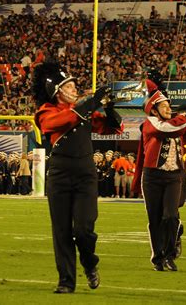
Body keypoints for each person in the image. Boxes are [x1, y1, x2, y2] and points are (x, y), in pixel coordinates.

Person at [33, 62, 124, 293]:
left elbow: (113, 129)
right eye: (70, 86)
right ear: (58, 92)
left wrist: (111, 109)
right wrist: (91, 101)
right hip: (60, 175)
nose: (75, 89)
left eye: (74, 86)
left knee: (84, 228)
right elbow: (60, 122)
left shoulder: (83, 111)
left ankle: (89, 262)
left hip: (85, 174)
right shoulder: (46, 112)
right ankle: (66, 281)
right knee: (61, 230)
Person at [132, 88, 186, 272]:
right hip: (152, 176)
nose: (168, 108)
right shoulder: (151, 122)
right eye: (163, 106)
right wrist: (185, 116)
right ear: (154, 110)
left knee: (171, 216)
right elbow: (166, 129)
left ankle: (170, 254)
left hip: (174, 175)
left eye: (168, 105)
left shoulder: (177, 123)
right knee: (155, 219)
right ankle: (158, 257)